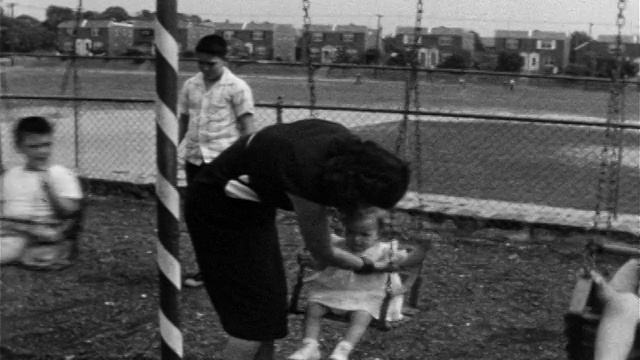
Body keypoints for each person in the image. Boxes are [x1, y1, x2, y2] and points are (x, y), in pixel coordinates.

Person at [184, 118, 411, 360]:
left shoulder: (342, 143)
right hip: (217, 211)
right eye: (368, 204)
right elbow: (323, 254)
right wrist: (370, 265)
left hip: (251, 207)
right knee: (252, 321)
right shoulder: (307, 178)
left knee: (270, 309)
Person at [288, 207, 425, 360]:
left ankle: (343, 350)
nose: (356, 239)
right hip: (334, 291)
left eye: (364, 234)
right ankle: (310, 345)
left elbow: (406, 261)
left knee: (362, 315)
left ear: (379, 235)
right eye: (351, 232)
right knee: (313, 307)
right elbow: (322, 265)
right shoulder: (338, 245)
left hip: (367, 295)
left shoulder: (384, 250)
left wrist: (419, 249)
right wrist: (311, 262)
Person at [178, 34, 257, 288]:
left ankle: (232, 268)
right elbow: (183, 121)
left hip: (223, 161)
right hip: (195, 159)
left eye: (210, 63)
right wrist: (170, 149)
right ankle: (207, 268)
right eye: (199, 63)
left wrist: (247, 165)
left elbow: (247, 129)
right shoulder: (191, 85)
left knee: (225, 217)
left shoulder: (237, 88)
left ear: (224, 60)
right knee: (199, 216)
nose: (204, 68)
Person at [0, 116, 83, 268]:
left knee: (12, 244)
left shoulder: (61, 173)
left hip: (34, 235)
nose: (42, 151)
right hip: (9, 228)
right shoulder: (11, 175)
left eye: (46, 145)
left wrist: (49, 187)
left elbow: (70, 213)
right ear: (19, 147)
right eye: (34, 146)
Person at [590, 259, 640, 360]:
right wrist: (602, 286)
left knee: (626, 303)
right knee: (625, 303)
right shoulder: (635, 267)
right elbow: (615, 297)